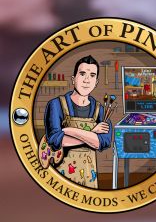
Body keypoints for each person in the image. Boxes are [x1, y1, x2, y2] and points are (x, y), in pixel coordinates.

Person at [41, 55, 109, 186]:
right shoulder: (56, 105)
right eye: (82, 74)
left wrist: (69, 130)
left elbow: (102, 142)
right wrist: (92, 133)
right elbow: (55, 140)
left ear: (96, 82)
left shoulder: (101, 110)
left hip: (90, 177)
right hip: (62, 176)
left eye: (92, 75)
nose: (87, 80)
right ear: (73, 79)